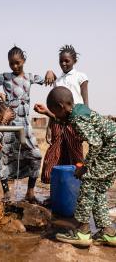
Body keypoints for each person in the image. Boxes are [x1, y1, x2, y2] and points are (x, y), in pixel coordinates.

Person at [34, 86, 116, 247]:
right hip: (112, 148)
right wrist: (47, 114)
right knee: (98, 190)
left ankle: (83, 232)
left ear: (61, 106)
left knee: (87, 184)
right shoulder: (77, 109)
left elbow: (96, 143)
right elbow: (65, 120)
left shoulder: (77, 119)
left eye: (54, 111)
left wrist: (84, 166)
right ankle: (108, 233)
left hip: (109, 149)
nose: (55, 115)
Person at [0, 46, 44, 202]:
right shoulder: (5, 77)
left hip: (25, 127)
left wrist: (50, 72)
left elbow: (47, 80)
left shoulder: (30, 77)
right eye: (11, 64)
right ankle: (6, 195)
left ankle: (30, 193)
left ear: (24, 61)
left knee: (36, 156)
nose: (15, 66)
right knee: (3, 158)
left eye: (18, 63)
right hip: (8, 125)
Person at [42, 45, 88, 184]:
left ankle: (78, 190)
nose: (63, 64)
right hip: (57, 121)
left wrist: (84, 124)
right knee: (54, 154)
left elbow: (85, 103)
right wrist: (49, 126)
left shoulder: (81, 77)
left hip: (74, 121)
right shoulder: (58, 80)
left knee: (76, 154)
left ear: (74, 60)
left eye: (67, 61)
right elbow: (55, 107)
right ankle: (55, 189)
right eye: (61, 61)